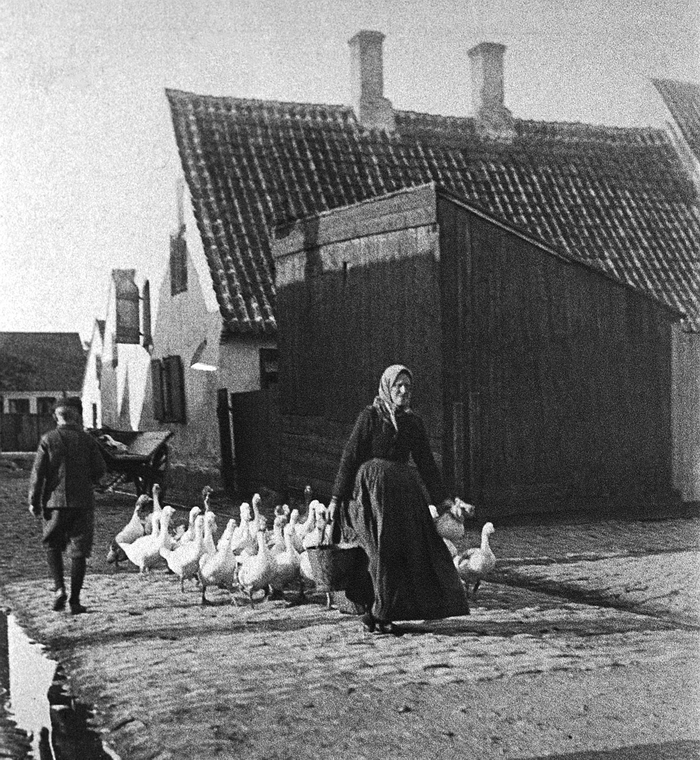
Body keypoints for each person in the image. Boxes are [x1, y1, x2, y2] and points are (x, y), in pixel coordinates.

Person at [329, 364, 469, 635]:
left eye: (408, 386)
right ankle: (379, 612)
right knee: (382, 552)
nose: (404, 391)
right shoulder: (369, 417)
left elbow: (427, 464)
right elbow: (350, 457)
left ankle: (381, 614)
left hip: (404, 497)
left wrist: (446, 502)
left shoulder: (412, 422)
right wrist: (336, 498)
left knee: (411, 552)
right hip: (373, 497)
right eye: (398, 386)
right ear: (386, 387)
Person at [28, 397, 106, 614]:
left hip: (55, 505)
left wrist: (34, 502)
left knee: (52, 544)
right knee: (79, 551)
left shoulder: (48, 439)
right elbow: (100, 470)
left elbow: (38, 475)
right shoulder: (87, 440)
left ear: (56, 417)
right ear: (77, 417)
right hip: (83, 503)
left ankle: (59, 588)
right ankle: (75, 601)